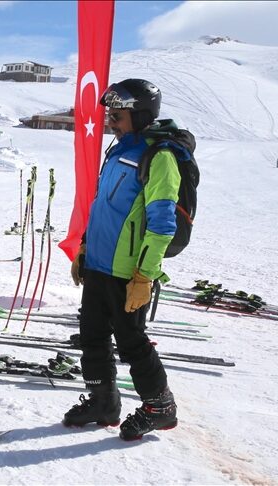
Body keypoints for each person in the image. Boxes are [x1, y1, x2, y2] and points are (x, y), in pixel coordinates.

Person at [64, 78, 179, 441]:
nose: (111, 122)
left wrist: (145, 276)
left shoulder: (159, 157)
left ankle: (159, 407)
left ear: (141, 115)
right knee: (92, 337)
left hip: (129, 273)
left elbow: (162, 224)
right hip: (99, 265)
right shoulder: (117, 152)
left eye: (118, 115)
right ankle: (103, 401)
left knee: (132, 342)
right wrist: (85, 248)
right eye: (110, 114)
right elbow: (103, 208)